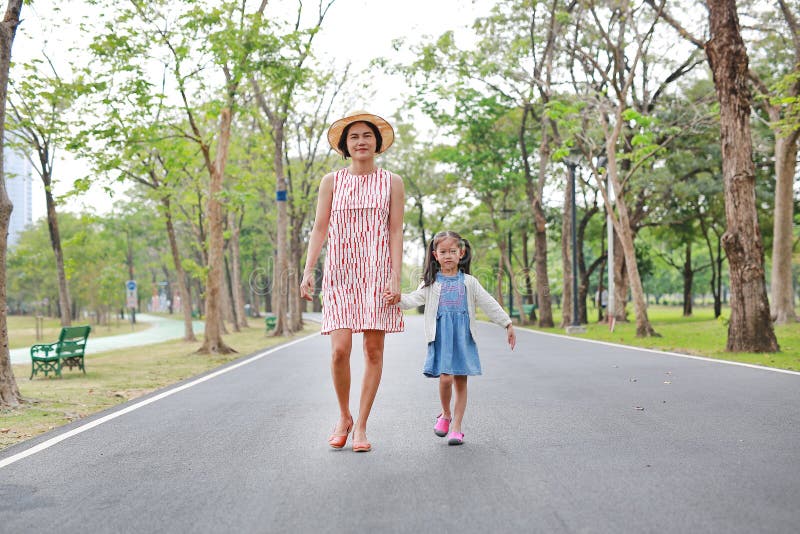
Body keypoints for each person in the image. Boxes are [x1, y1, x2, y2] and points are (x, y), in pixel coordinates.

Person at [300, 110, 405, 453]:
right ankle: (343, 415)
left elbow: (395, 230)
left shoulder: (392, 182)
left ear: (377, 143)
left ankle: (361, 425)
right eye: (355, 137)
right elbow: (319, 228)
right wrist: (308, 271)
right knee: (339, 351)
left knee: (373, 350)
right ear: (345, 145)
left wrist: (394, 276)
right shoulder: (331, 182)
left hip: (377, 271)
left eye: (367, 136)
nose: (361, 141)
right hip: (340, 273)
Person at [387, 230, 516, 445]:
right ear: (435, 255)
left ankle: (457, 427)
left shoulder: (469, 282)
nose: (448, 255)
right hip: (441, 336)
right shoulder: (431, 283)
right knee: (445, 378)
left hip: (462, 336)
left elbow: (488, 302)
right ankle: (445, 414)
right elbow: (412, 300)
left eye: (452, 251)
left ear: (461, 253)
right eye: (443, 251)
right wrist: (398, 299)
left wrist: (507, 323)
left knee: (461, 381)